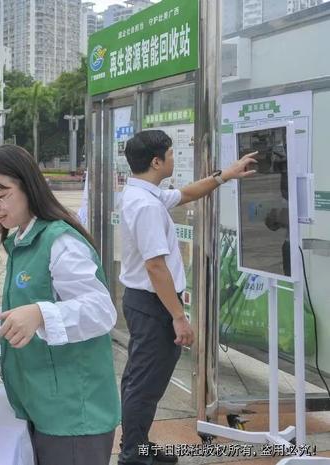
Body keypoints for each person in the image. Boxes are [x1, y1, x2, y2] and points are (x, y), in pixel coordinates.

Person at [0, 145, 120, 465]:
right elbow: (33, 300)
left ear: (28, 184)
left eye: (2, 195)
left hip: (72, 412)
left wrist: (39, 314)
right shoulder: (22, 238)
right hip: (39, 401)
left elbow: (101, 310)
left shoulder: (60, 241)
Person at [117, 130, 257, 465]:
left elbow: (185, 194)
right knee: (145, 384)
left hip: (144, 301)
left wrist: (227, 174)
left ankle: (138, 445)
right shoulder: (146, 205)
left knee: (139, 379)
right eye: (170, 153)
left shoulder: (141, 193)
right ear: (156, 161)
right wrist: (179, 316)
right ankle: (133, 454)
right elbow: (156, 267)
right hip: (154, 304)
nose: (173, 158)